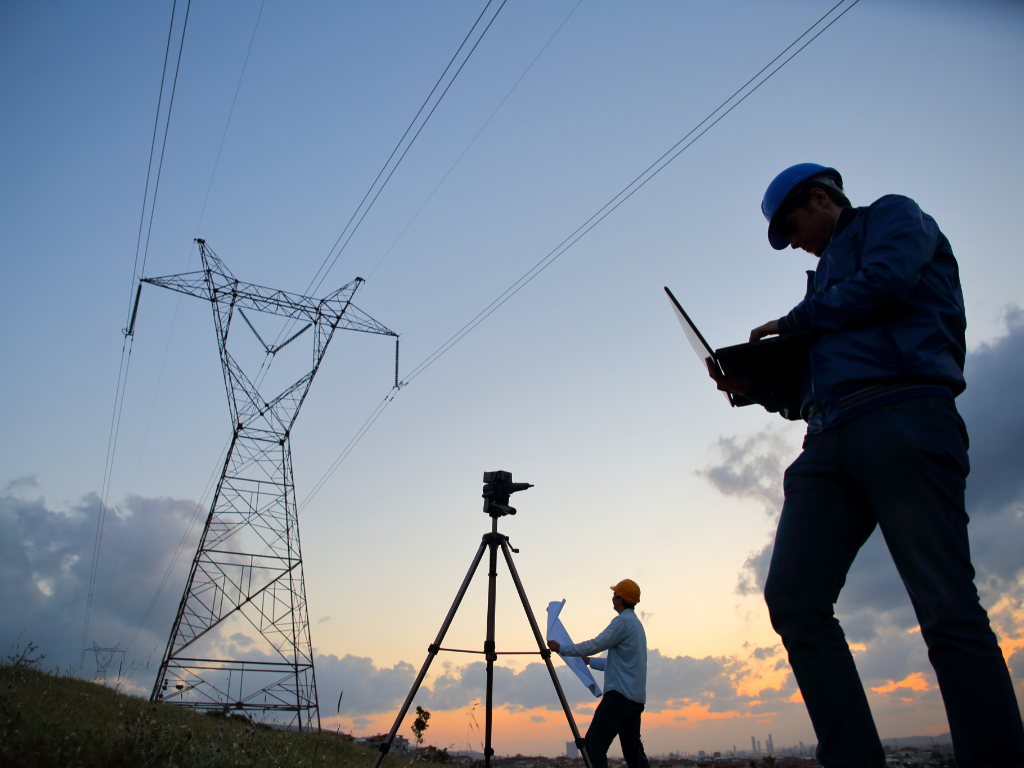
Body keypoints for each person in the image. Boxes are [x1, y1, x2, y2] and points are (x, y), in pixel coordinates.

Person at [707, 163, 1024, 767]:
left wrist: (794, 323)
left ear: (821, 197)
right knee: (795, 600)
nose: (793, 242)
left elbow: (888, 283)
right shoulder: (819, 287)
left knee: (945, 606)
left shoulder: (893, 216)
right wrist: (754, 386)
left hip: (902, 412)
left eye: (792, 226)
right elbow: (808, 390)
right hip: (827, 439)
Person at [547, 579, 650, 768]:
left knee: (593, 745)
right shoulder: (636, 626)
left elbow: (596, 644)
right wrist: (589, 662)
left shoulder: (622, 623)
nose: (612, 597)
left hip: (619, 697)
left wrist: (562, 648)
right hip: (635, 700)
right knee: (633, 753)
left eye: (614, 594)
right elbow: (619, 664)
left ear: (620, 599)